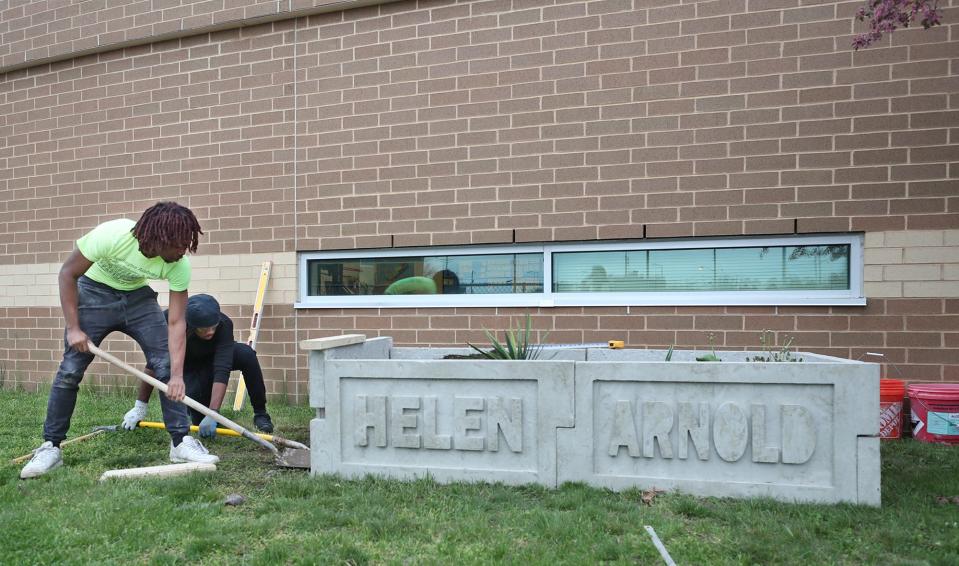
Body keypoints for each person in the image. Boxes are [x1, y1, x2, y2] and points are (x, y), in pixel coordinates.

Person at [20, 202, 219, 479]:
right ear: (160, 238)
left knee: (163, 363)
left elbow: (176, 322)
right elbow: (68, 273)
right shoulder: (112, 236)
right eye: (178, 244)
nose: (183, 251)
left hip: (138, 299)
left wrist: (176, 375)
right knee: (70, 370)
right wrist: (74, 328)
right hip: (93, 293)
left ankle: (180, 442)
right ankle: (50, 447)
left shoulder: (179, 265)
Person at [120, 294, 274, 437]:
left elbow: (222, 367)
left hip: (214, 358)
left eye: (213, 327)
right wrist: (140, 407)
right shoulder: (169, 322)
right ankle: (197, 409)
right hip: (188, 366)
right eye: (204, 329)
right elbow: (154, 364)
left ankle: (261, 414)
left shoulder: (224, 324)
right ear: (191, 325)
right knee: (199, 420)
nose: (210, 332)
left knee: (246, 354)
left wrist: (213, 412)